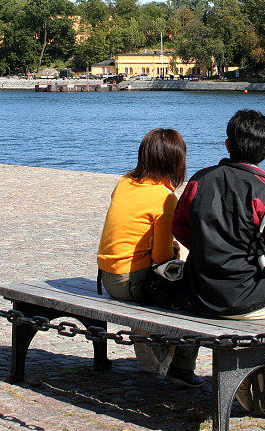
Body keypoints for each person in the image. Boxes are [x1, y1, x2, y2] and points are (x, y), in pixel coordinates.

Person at [171, 109, 265, 415]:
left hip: (200, 293)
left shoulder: (200, 181)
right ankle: (253, 369)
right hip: (245, 298)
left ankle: (232, 370)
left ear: (227, 145)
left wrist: (208, 249)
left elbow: (180, 227)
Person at [97, 128, 201, 387]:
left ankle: (149, 358)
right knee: (195, 295)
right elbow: (162, 258)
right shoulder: (164, 198)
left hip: (108, 277)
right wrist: (177, 252)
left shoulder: (124, 182)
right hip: (131, 282)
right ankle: (180, 368)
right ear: (176, 162)